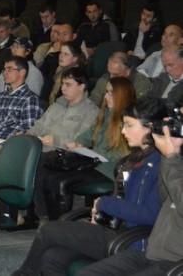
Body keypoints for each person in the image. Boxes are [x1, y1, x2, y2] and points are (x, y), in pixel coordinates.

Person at [11, 97, 165, 276]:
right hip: (114, 230)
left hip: (132, 239)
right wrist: (102, 213)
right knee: (52, 257)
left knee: (49, 230)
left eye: (129, 125)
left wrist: (104, 204)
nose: (123, 131)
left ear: (151, 126)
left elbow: (149, 215)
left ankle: (24, 274)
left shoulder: (160, 164)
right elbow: (123, 197)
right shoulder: (133, 159)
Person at [76, 108, 183, 275]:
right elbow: (165, 197)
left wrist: (170, 158)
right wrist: (170, 155)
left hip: (174, 260)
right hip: (154, 252)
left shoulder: (172, 161)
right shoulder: (172, 161)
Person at [43, 77, 136, 217]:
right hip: (94, 163)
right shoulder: (105, 114)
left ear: (122, 95)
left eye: (111, 93)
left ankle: (60, 223)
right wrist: (78, 142)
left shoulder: (128, 119)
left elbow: (124, 154)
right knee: (50, 177)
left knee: (61, 182)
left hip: (110, 169)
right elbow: (90, 132)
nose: (106, 96)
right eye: (106, 92)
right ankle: (52, 221)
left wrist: (94, 154)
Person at [26, 67, 100, 219]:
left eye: (68, 84)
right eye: (62, 84)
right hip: (41, 147)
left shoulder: (91, 111)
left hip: (65, 153)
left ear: (82, 86)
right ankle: (9, 211)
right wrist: (28, 137)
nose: (63, 88)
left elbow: (82, 140)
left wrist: (57, 140)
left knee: (38, 165)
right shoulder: (57, 105)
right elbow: (39, 126)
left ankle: (44, 216)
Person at [0, 37, 43, 103]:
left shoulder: (34, 73)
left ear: (27, 52)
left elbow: (32, 99)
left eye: (18, 47)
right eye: (13, 46)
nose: (13, 50)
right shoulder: (6, 68)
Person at [147, 45, 183, 110]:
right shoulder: (160, 79)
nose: (167, 70)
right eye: (165, 66)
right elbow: (148, 100)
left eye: (170, 65)